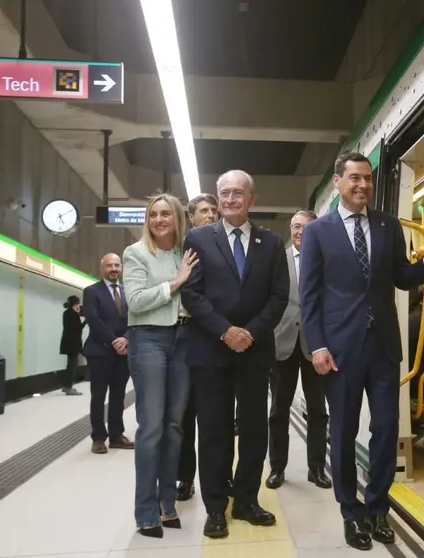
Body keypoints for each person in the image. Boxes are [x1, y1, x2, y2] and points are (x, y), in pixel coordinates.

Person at [299, 151, 424, 550]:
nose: (362, 185)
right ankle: (350, 510)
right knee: (343, 431)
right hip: (339, 348)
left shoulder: (388, 226)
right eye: (354, 178)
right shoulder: (318, 233)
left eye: (368, 179)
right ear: (338, 182)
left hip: (383, 347)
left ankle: (377, 507)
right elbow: (310, 297)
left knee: (386, 428)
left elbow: (401, 276)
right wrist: (318, 345)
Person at [180, 170, 289, 539]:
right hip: (211, 350)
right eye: (223, 193)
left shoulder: (271, 242)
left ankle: (245, 501)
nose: (229, 200)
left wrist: (250, 332)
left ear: (251, 199)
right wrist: (225, 331)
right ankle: (215, 509)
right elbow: (191, 294)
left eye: (237, 193)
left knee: (255, 430)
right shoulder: (197, 238)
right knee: (213, 430)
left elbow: (279, 296)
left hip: (256, 352)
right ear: (217, 196)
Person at [121, 193, 200, 538]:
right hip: (148, 339)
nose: (159, 220)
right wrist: (177, 282)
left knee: (174, 427)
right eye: (154, 214)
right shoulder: (136, 253)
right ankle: (145, 510)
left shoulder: (188, 252)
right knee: (151, 426)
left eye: (166, 213)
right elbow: (136, 302)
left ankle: (168, 504)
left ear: (178, 218)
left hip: (184, 340)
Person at [266, 209, 331, 490]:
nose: (298, 232)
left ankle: (316, 468)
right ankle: (277, 468)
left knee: (317, 410)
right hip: (282, 344)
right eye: (295, 226)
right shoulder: (276, 259)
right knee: (279, 410)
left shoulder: (327, 260)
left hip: (317, 345)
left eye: (305, 227)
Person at [176, 193, 234, 502]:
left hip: (217, 339)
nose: (210, 215)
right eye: (203, 211)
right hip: (186, 340)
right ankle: (185, 477)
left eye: (214, 210)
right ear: (191, 217)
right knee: (185, 416)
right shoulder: (181, 250)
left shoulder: (225, 250)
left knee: (220, 417)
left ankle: (223, 475)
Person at [82, 254, 134, 455]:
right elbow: (94, 320)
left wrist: (126, 339)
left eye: (117, 265)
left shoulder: (129, 292)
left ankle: (116, 435)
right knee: (98, 395)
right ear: (101, 268)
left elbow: (136, 317)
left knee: (118, 395)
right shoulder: (91, 292)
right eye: (109, 265)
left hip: (123, 352)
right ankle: (98, 437)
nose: (114, 269)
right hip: (100, 351)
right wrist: (114, 341)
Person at [58, 295, 85, 395]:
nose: (79, 306)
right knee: (72, 365)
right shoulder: (73, 314)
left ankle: (67, 386)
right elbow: (78, 328)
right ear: (75, 303)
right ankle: (68, 387)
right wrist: (86, 321)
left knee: (70, 365)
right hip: (73, 343)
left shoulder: (66, 313)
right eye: (78, 303)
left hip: (67, 342)